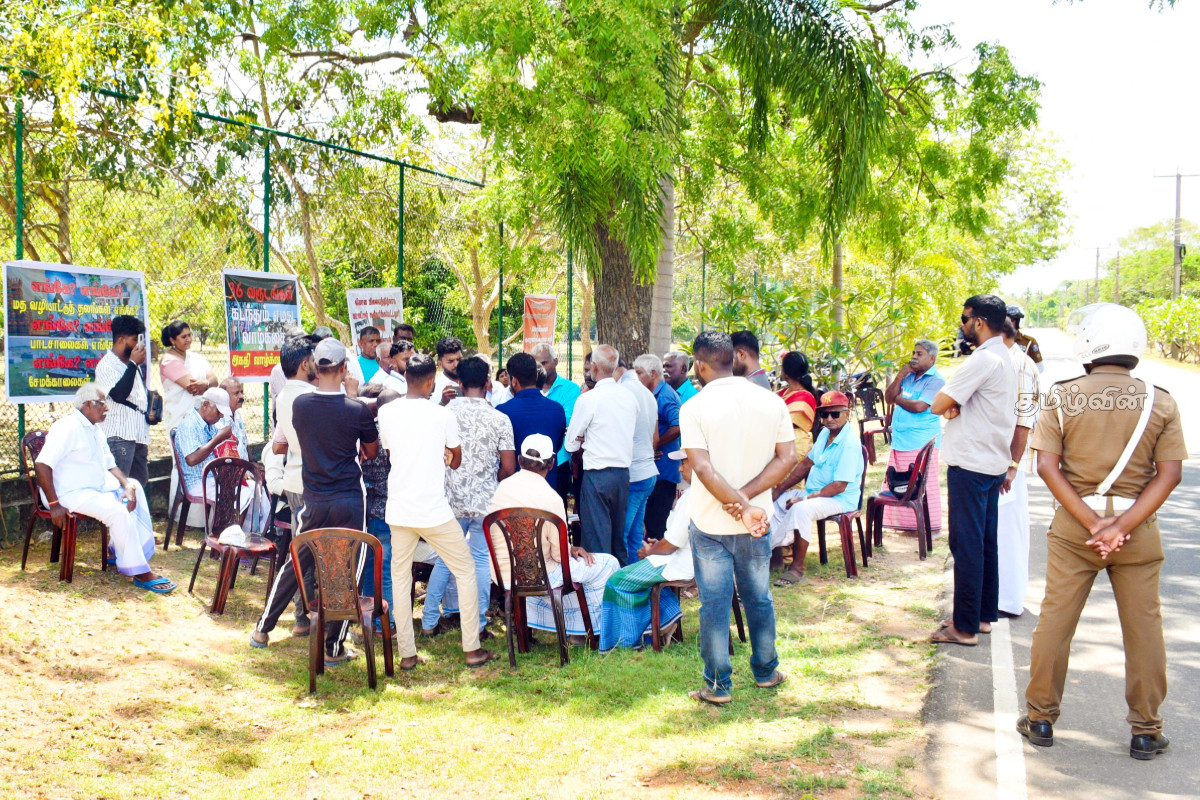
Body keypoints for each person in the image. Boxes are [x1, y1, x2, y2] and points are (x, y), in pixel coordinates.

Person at [1017, 304, 1185, 760]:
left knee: (1056, 620)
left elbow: (1047, 467)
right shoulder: (1160, 399)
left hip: (1077, 526)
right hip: (1137, 529)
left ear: (1088, 346)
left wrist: (1094, 525)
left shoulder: (1063, 395)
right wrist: (1121, 527)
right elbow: (1168, 476)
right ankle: (1146, 730)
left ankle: (1040, 718)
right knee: (1144, 627)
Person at [680, 331, 796, 705]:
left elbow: (701, 467)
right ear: (733, 358)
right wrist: (747, 501)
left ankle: (717, 685)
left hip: (712, 522)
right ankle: (765, 671)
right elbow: (787, 459)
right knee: (758, 597)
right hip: (756, 521)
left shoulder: (694, 407)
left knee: (714, 604)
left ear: (699, 365)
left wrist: (737, 502)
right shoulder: (771, 401)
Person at [252, 338, 379, 665]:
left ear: (314, 367)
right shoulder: (357, 410)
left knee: (297, 560)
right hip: (349, 500)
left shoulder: (300, 406)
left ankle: (262, 629)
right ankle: (333, 648)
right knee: (347, 568)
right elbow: (371, 451)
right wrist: (351, 398)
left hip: (312, 498)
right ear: (343, 369)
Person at [377, 353, 499, 669]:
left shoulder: (387, 411)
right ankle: (471, 648)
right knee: (466, 570)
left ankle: (407, 654)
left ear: (406, 377)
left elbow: (392, 453)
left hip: (400, 509)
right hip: (433, 510)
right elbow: (456, 460)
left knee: (400, 579)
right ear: (432, 381)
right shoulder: (441, 415)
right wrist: (444, 455)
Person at [929, 294, 1017, 647]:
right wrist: (956, 408)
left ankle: (963, 628)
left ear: (979, 322)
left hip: (972, 464)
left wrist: (953, 408)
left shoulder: (982, 360)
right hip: (992, 462)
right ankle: (980, 616)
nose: (962, 326)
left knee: (966, 545)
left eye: (964, 319)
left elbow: (938, 404)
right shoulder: (1006, 357)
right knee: (983, 544)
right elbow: (957, 406)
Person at [35, 384, 169, 592]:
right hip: (68, 492)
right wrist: (54, 504)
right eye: (102, 404)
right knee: (116, 510)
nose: (107, 408)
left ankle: (119, 551)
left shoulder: (95, 428)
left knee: (135, 489)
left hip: (94, 488)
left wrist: (126, 485)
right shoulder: (67, 427)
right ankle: (139, 572)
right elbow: (42, 464)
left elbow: (110, 464)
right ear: (87, 405)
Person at [488, 434, 619, 644]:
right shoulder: (551, 498)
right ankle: (590, 630)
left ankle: (571, 629)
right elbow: (559, 556)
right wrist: (569, 548)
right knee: (608, 563)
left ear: (520, 461)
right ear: (551, 465)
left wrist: (569, 547)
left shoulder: (501, 489)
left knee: (569, 569)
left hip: (504, 574)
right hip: (542, 575)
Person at [422, 356, 516, 638]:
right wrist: (487, 479)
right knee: (479, 560)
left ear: (459, 382)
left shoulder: (442, 415)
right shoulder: (500, 419)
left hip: (450, 499)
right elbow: (509, 467)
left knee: (445, 559)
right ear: (488, 382)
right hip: (486, 502)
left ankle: (428, 622)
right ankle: (477, 625)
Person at [599, 449, 693, 651]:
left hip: (679, 562)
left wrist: (650, 552)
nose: (680, 467)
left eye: (684, 463)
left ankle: (623, 643)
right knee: (639, 578)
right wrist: (657, 546)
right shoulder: (699, 495)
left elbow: (671, 545)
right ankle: (664, 621)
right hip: (685, 558)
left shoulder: (691, 499)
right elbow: (674, 540)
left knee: (617, 582)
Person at [768, 391, 864, 586]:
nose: (829, 419)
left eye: (835, 414)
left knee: (800, 509)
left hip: (839, 498)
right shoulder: (825, 435)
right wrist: (779, 490)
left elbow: (838, 486)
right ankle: (767, 555)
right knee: (775, 502)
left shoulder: (849, 444)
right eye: (824, 415)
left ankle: (797, 568)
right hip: (814, 494)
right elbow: (805, 465)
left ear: (847, 413)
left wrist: (805, 499)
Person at [565, 345, 638, 565]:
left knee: (597, 542)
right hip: (622, 475)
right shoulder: (629, 397)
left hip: (597, 476)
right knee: (618, 540)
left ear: (594, 367)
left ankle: (600, 594)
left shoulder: (589, 399)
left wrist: (582, 438)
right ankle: (622, 593)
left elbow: (570, 445)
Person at [881, 340, 945, 534]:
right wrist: (900, 375)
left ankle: (929, 527)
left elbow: (919, 407)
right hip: (901, 441)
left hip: (921, 441)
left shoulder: (936, 380)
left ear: (932, 359)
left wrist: (898, 399)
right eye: (914, 353)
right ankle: (907, 526)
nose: (914, 357)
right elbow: (888, 397)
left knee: (923, 485)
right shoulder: (908, 377)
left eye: (920, 354)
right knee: (901, 483)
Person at [998, 320, 1040, 617]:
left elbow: (1023, 419)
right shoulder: (1007, 361)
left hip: (1010, 464)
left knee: (1009, 534)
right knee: (1000, 533)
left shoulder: (1020, 364)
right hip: (1002, 462)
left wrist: (1012, 465)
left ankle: (1009, 601)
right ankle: (999, 597)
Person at [160, 319, 218, 528]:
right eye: (183, 336)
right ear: (172, 340)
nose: (188, 339)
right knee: (183, 463)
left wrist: (206, 383)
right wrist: (204, 383)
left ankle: (203, 519)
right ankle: (181, 516)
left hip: (202, 417)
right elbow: (191, 387)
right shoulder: (169, 360)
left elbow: (214, 379)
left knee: (204, 461)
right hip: (180, 419)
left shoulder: (197, 357)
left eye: (189, 334)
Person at [359, 385, 401, 633]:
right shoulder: (401, 434)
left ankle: (366, 616)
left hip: (370, 510)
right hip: (391, 510)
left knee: (369, 566)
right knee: (385, 570)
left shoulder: (368, 434)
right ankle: (385, 621)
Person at [94, 314, 151, 489]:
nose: (138, 345)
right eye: (134, 340)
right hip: (120, 437)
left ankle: (134, 517)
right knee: (120, 487)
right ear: (120, 340)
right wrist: (134, 364)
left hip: (138, 434)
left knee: (139, 485)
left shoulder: (131, 365)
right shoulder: (106, 365)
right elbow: (118, 395)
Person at [496, 352, 567, 489]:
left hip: (514, 489)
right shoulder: (557, 409)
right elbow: (555, 446)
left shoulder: (502, 411)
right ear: (536, 376)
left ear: (514, 380)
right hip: (547, 486)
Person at [616, 358, 660, 564]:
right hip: (648, 471)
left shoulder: (623, 393)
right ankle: (636, 584)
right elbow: (654, 439)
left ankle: (623, 586)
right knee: (634, 535)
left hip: (634, 474)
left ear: (617, 370)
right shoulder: (648, 394)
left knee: (623, 535)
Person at [634, 354, 682, 540]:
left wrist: (654, 445)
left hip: (664, 471)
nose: (636, 377)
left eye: (639, 373)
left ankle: (659, 566)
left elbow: (678, 426)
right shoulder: (650, 395)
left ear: (653, 374)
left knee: (657, 526)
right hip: (655, 469)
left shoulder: (666, 395)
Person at [533, 344, 582, 501]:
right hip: (530, 459)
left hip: (558, 459)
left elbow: (566, 423)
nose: (540, 368)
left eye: (545, 363)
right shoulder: (529, 387)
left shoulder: (570, 389)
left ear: (555, 361)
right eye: (536, 364)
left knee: (557, 508)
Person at [777, 351, 818, 461]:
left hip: (794, 448)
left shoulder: (805, 397)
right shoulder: (782, 393)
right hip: (777, 445)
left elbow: (784, 423)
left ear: (786, 373)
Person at [218, 377, 249, 460]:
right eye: (236, 394)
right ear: (224, 397)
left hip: (245, 468)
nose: (241, 396)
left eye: (241, 392)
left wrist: (253, 463)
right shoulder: (219, 420)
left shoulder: (237, 415)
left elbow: (244, 443)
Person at [1007, 304, 1043, 373]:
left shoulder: (1029, 342)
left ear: (1018, 321)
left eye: (1011, 319)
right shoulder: (997, 340)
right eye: (1005, 319)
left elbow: (1040, 368)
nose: (1007, 322)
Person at [433, 336, 464, 405]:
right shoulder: (435, 388)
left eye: (459, 359)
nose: (456, 364)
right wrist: (443, 402)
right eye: (450, 361)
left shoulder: (472, 382)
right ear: (440, 364)